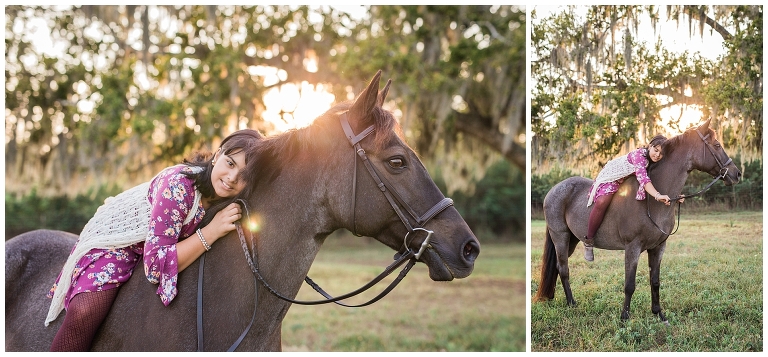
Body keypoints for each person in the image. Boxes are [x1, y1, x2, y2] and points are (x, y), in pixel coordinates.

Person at [45, 129, 262, 351]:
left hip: (156, 243)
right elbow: (155, 266)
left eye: (244, 175)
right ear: (217, 156)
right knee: (86, 310)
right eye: (230, 163)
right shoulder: (178, 185)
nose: (232, 178)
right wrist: (211, 232)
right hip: (118, 239)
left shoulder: (233, 196)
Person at [584, 134, 682, 262]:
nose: (657, 155)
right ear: (650, 146)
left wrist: (676, 196)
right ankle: (589, 240)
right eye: (656, 150)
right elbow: (643, 179)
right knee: (603, 201)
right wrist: (657, 196)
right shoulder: (639, 156)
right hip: (612, 176)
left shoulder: (655, 161)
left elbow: (663, 180)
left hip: (626, 180)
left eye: (661, 153)